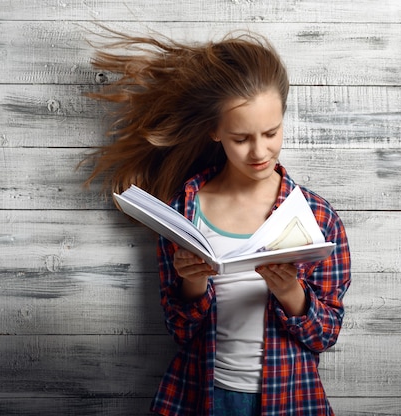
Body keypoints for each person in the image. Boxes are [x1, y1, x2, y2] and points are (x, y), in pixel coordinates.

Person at [83, 29, 351, 416]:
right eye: (241, 138)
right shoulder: (183, 212)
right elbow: (180, 330)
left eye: (271, 133)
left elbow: (327, 334)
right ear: (215, 131)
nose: (260, 151)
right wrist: (193, 281)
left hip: (289, 398)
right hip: (200, 397)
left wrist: (291, 292)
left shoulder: (318, 217)